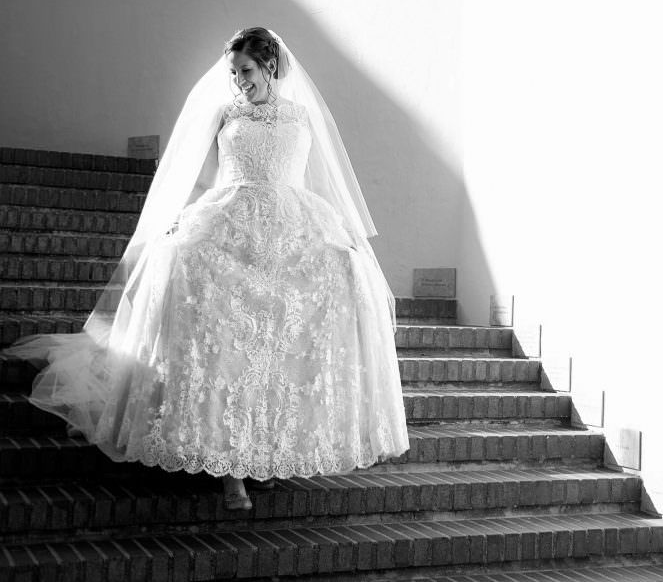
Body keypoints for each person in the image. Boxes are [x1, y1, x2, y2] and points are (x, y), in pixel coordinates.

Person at [1, 27, 410, 510]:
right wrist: (179, 221)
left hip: (291, 226)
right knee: (225, 337)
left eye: (247, 71)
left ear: (271, 66)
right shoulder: (225, 112)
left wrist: (345, 238)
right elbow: (195, 175)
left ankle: (267, 452)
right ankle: (229, 471)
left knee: (284, 339)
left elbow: (320, 182)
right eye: (235, 72)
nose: (239, 81)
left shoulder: (301, 116)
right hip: (229, 219)